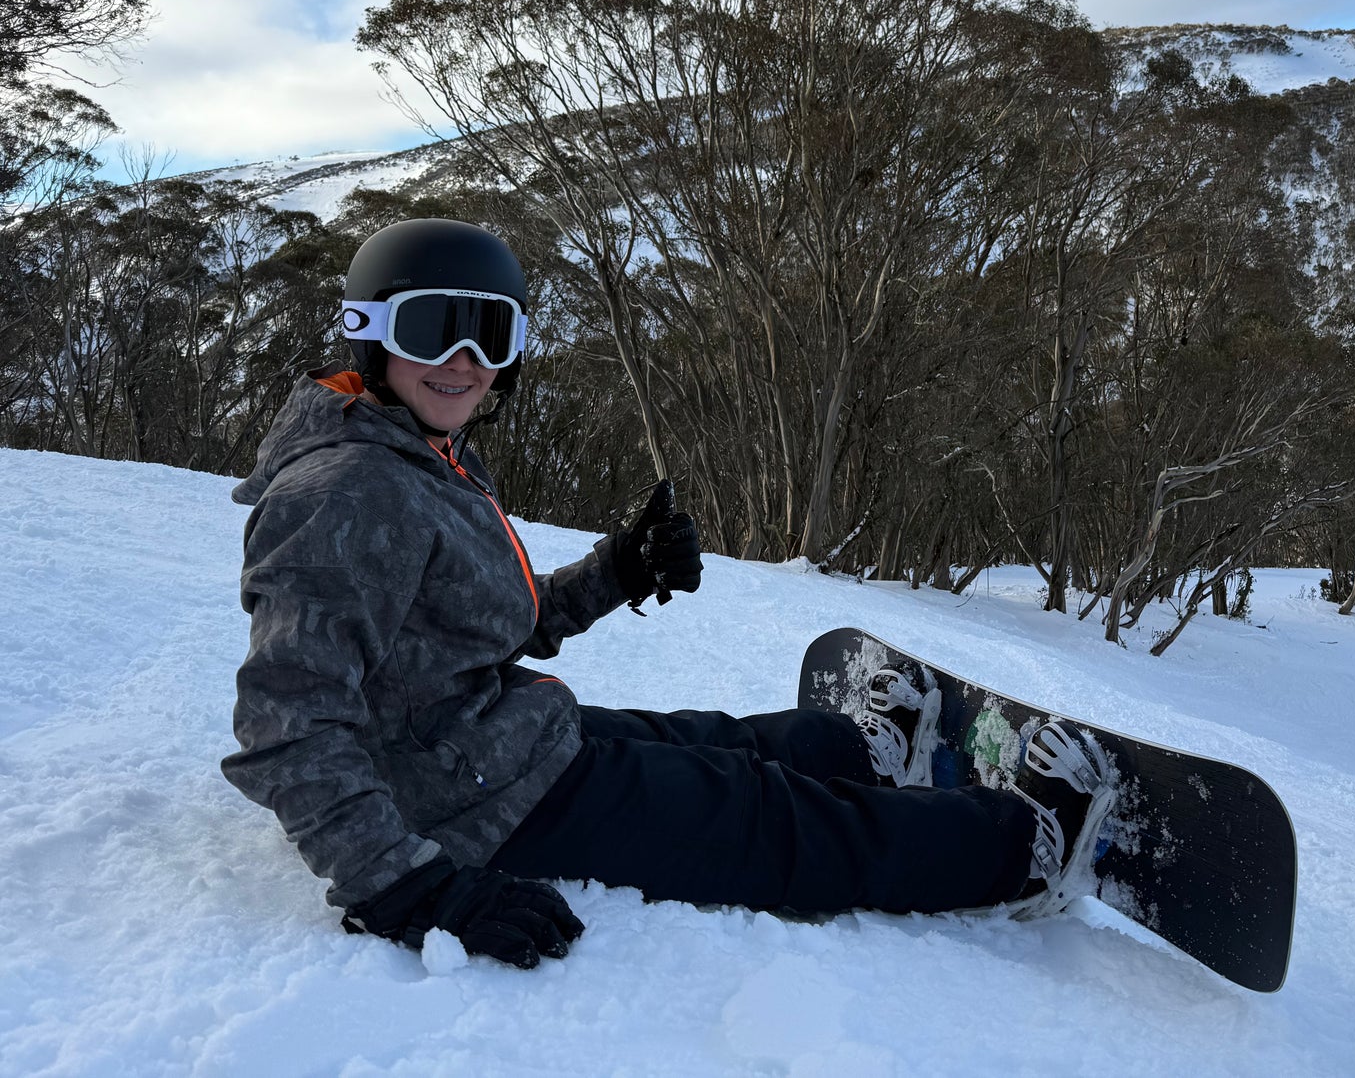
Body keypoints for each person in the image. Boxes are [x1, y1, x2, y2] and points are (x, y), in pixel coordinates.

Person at [223, 218, 1110, 968]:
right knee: (762, 818)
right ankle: (1022, 849)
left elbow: (474, 624)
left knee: (708, 743)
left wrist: (622, 570)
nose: (462, 362)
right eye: (432, 331)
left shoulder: (418, 451)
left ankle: (864, 751)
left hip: (478, 739)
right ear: (370, 332)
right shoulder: (344, 490)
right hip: (459, 803)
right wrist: (407, 886)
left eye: (489, 336)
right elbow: (286, 723)